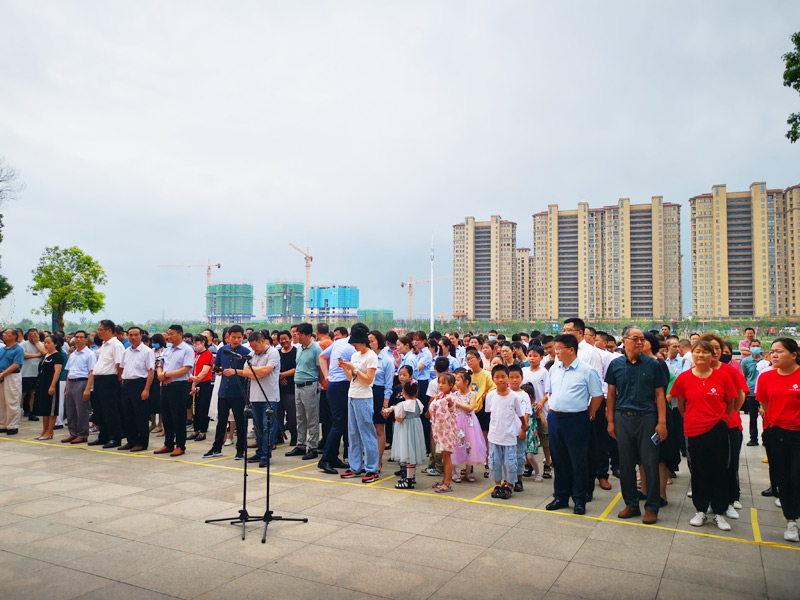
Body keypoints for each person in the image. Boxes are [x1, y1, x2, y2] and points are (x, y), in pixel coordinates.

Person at [670, 340, 736, 531]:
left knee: (720, 470)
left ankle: (719, 512)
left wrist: (720, 418)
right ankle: (701, 510)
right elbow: (681, 404)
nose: (701, 355)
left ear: (712, 355)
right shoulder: (684, 378)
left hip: (718, 428)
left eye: (705, 352)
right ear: (692, 354)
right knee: (698, 470)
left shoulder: (723, 376)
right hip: (694, 429)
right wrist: (693, 418)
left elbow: (730, 402)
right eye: (697, 351)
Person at [605, 326, 668, 524]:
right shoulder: (615, 365)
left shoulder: (654, 364)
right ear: (624, 341)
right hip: (623, 418)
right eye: (635, 338)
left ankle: (652, 507)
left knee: (650, 463)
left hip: (647, 418)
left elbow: (660, 395)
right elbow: (611, 395)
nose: (640, 342)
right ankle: (631, 504)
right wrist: (610, 421)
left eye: (642, 339)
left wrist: (662, 422)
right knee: (626, 464)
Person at [545, 334, 603, 515]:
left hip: (576, 420)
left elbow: (597, 395)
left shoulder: (587, 371)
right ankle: (561, 496)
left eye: (559, 348)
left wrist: (590, 412)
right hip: (555, 419)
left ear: (571, 349)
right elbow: (550, 392)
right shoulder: (554, 369)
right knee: (559, 460)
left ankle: (579, 499)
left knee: (578, 461)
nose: (556, 352)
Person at [757, 338, 800, 542]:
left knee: (796, 477)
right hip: (776, 433)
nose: (774, 355)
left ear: (794, 354)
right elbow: (765, 405)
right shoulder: (766, 377)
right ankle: (791, 521)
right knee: (782, 478)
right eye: (772, 351)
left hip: (797, 434)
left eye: (779, 351)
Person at [338, 327, 379, 483]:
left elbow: (368, 380)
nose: (354, 346)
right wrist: (345, 368)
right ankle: (355, 466)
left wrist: (354, 368)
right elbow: (352, 379)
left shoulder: (371, 356)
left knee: (367, 433)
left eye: (355, 343)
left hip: (364, 397)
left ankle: (372, 468)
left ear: (362, 342)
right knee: (353, 433)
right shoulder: (355, 355)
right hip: (352, 395)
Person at [204, 324, 251, 460]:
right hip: (224, 391)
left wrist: (236, 372)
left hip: (239, 393)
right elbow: (216, 366)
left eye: (239, 337)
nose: (236, 340)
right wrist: (218, 370)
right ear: (228, 337)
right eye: (233, 337)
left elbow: (248, 372)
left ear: (243, 337)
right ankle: (216, 448)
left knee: (240, 423)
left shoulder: (246, 352)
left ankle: (240, 450)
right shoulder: (222, 350)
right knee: (221, 422)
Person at [485, 365, 526, 500]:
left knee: (510, 462)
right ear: (493, 379)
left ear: (507, 378)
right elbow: (491, 413)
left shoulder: (514, 397)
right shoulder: (490, 396)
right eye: (497, 377)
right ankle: (498, 484)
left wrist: (524, 426)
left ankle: (508, 485)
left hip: (509, 436)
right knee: (495, 461)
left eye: (503, 376)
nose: (500, 380)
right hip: (494, 436)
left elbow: (520, 414)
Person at [239, 331, 280, 468]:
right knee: (258, 427)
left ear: (262, 341)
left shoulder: (273, 353)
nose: (253, 349)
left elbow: (265, 372)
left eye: (255, 346)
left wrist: (255, 370)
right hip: (255, 396)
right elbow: (246, 372)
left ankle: (265, 455)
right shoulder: (251, 354)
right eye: (251, 346)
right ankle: (259, 452)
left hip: (269, 396)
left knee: (268, 427)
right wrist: (257, 371)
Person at [153, 325, 194, 457]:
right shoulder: (167, 350)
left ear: (180, 334)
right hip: (165, 386)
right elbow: (159, 365)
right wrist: (161, 375)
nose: (169, 336)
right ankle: (168, 443)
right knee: (167, 416)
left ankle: (180, 445)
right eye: (168, 334)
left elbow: (185, 369)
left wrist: (166, 375)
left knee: (178, 417)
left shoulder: (187, 349)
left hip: (179, 386)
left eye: (171, 334)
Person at [382, 379, 426, 489]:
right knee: (413, 454)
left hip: (406, 431)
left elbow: (399, 418)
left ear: (403, 392)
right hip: (416, 430)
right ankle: (411, 476)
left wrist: (394, 411)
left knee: (408, 455)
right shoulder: (418, 402)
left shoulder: (402, 404)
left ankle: (408, 481)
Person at [288, 323, 322, 461]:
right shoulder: (299, 349)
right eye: (297, 334)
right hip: (298, 385)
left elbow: (321, 369)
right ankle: (300, 445)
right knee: (300, 417)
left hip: (310, 385)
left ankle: (313, 447)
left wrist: (321, 384)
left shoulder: (316, 349)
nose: (298, 336)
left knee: (312, 418)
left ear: (309, 335)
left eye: (301, 334)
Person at [118, 327, 155, 452]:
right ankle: (131, 441)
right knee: (128, 415)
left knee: (140, 415)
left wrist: (146, 389)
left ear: (141, 336)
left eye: (136, 335)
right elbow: (122, 368)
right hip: (127, 384)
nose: (133, 337)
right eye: (130, 335)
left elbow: (151, 371)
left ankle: (142, 442)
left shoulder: (147, 351)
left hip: (140, 384)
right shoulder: (126, 352)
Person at [89, 320, 124, 448]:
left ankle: (115, 438)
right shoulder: (104, 344)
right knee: (100, 410)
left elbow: (119, 364)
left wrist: (119, 379)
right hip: (100, 379)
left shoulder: (116, 345)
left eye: (100, 330)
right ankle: (103, 436)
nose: (98, 332)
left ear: (109, 330)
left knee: (111, 410)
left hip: (110, 380)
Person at [451, 368, 486, 482]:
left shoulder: (472, 394)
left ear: (466, 382)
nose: (456, 383)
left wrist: (456, 403)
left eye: (458, 380)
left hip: (469, 422)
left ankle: (468, 471)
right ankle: (453, 472)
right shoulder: (455, 394)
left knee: (470, 444)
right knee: (456, 445)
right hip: (457, 421)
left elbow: (470, 408)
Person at [61, 330, 95, 444]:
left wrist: (87, 389)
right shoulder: (73, 354)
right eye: (77, 337)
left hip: (82, 382)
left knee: (82, 411)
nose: (78, 339)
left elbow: (92, 372)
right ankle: (73, 433)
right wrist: (66, 389)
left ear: (86, 339)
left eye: (81, 337)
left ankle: (82, 434)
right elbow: (69, 371)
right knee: (70, 410)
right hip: (71, 382)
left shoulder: (89, 354)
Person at [427, 372, 457, 493]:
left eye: (444, 383)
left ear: (451, 385)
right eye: (439, 382)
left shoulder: (449, 398)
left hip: (447, 431)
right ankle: (444, 480)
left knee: (447, 456)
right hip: (440, 431)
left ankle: (447, 483)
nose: (440, 385)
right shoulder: (440, 395)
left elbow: (439, 404)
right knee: (444, 456)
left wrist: (435, 399)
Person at [369, 330, 394, 472]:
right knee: (368, 428)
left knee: (379, 428)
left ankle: (378, 462)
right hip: (366, 392)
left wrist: (385, 404)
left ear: (379, 341)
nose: (370, 344)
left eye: (372, 341)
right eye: (368, 341)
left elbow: (388, 385)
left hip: (379, 394)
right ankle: (369, 459)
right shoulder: (366, 357)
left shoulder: (386, 360)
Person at [32, 334, 64, 439]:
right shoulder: (45, 355)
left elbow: (57, 372)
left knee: (51, 409)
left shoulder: (57, 356)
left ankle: (50, 431)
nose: (46, 345)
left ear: (55, 344)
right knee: (44, 408)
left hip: (51, 384)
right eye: (45, 342)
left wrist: (52, 386)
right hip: (42, 385)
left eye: (48, 343)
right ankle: (44, 430)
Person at [507, 364, 532, 492]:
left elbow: (527, 412)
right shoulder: (505, 394)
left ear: (521, 378)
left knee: (520, 456)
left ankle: (519, 479)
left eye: (517, 377)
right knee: (508, 457)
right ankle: (509, 480)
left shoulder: (524, 395)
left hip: (519, 431)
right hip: (507, 432)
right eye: (511, 377)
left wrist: (523, 429)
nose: (514, 380)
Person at [188, 334, 214, 442]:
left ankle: (203, 432)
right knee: (195, 409)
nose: (195, 345)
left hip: (204, 384)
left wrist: (195, 381)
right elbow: (189, 368)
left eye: (197, 342)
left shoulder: (208, 354)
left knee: (203, 408)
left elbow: (204, 371)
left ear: (203, 342)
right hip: (193, 382)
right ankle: (195, 430)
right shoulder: (194, 354)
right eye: (193, 343)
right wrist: (192, 378)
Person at [277, 330, 298, 446]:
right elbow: (273, 368)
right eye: (281, 339)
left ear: (290, 339)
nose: (284, 341)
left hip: (292, 389)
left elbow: (296, 368)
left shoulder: (296, 352)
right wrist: (279, 377)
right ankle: (279, 437)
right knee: (278, 415)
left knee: (292, 415)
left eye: (286, 338)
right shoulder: (277, 353)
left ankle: (294, 437)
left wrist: (282, 375)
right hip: (278, 389)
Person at [742, 342, 764, 446]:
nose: (755, 348)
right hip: (751, 391)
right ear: (749, 348)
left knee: (766, 416)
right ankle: (753, 438)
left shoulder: (766, 361)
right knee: (753, 416)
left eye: (757, 346)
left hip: (764, 392)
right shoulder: (745, 361)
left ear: (761, 347)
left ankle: (766, 438)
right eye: (753, 346)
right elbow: (743, 376)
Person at [21, 328, 44, 422]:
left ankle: (32, 412)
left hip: (37, 373)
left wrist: (37, 343)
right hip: (26, 373)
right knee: (23, 393)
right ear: (27, 336)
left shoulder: (41, 345)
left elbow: (44, 353)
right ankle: (17, 411)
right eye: (31, 336)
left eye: (35, 335)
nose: (33, 337)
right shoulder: (23, 344)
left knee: (33, 393)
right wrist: (37, 355)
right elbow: (24, 355)